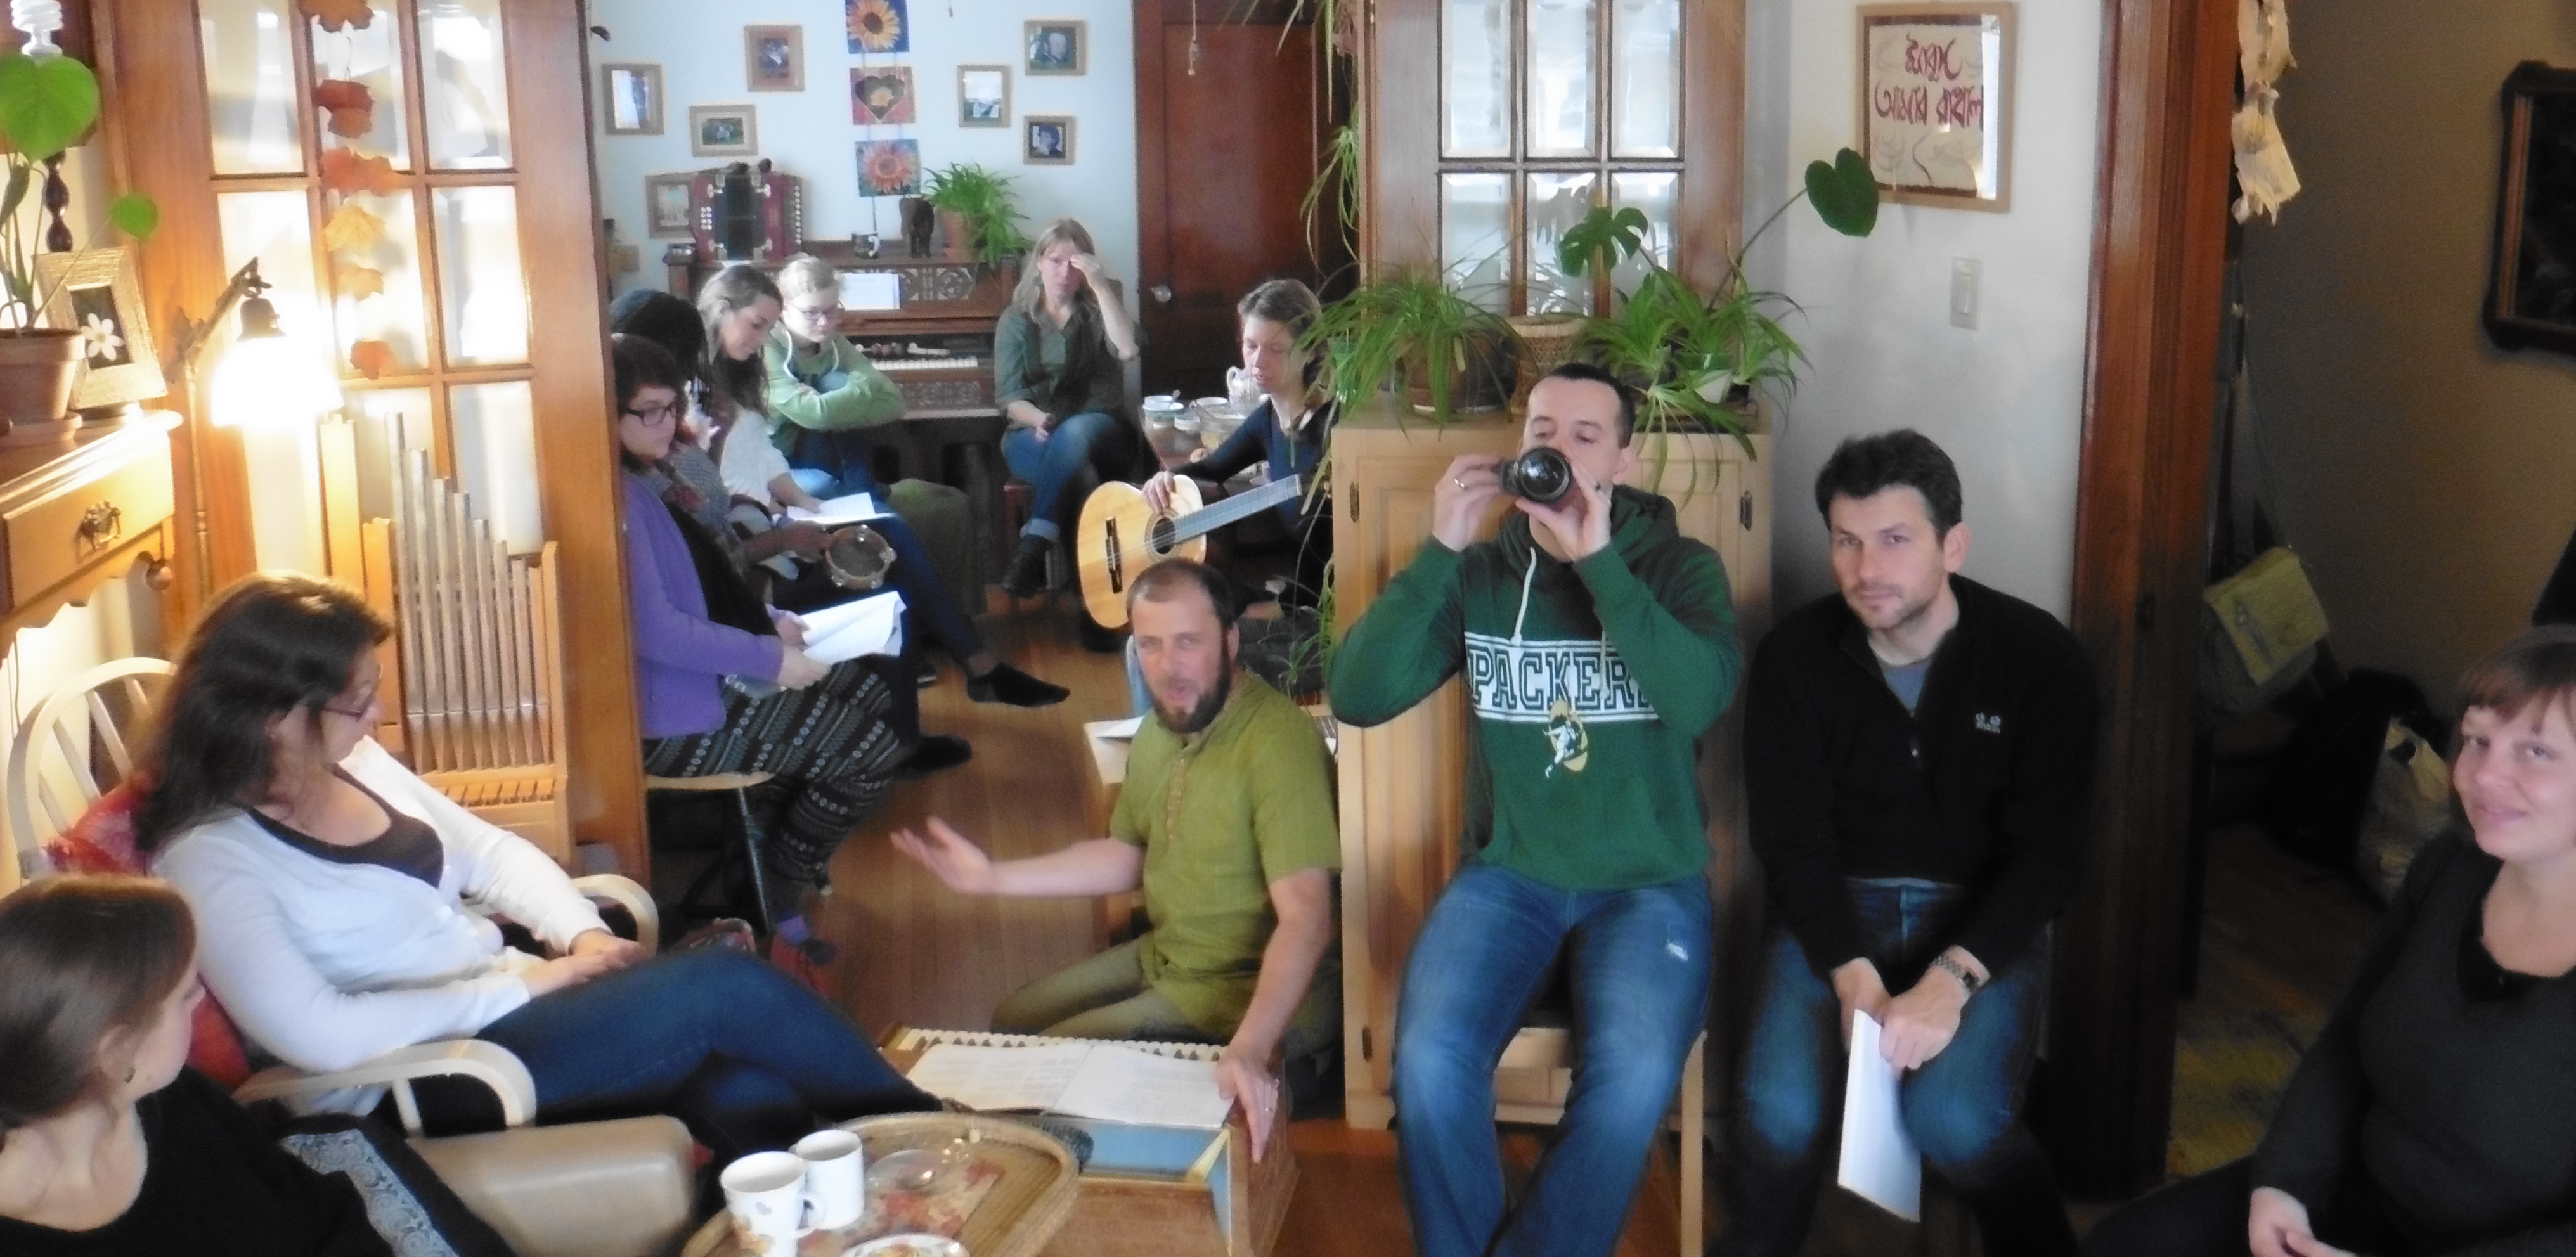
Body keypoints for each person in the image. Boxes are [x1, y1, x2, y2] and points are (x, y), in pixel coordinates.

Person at [139, 575, 935, 1169]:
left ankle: (874, 1199)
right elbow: (322, 1035)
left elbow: (490, 853)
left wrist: (581, 935)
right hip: (420, 1081)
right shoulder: (210, 858)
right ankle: (935, 1131)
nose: (375, 716)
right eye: (357, 702)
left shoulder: (355, 763)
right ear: (274, 716)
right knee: (727, 988)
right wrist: (529, 988)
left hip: (504, 1017)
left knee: (738, 1085)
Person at [2084, 626, 2576, 1257]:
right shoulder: (2456, 868)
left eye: (2536, 752)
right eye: (2479, 739)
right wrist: (2285, 1187)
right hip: (2380, 1208)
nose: (2485, 775)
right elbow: (2349, 1041)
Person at [1328, 361, 1740, 1257]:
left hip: (1650, 885)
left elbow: (1696, 700)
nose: (1557, 450)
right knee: (1428, 1063)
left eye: (1585, 436)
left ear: (1624, 463)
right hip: (1510, 877)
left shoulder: (1681, 569)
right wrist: (1439, 550)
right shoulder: (1480, 574)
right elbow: (1356, 697)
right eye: (1542, 431)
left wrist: (1600, 564)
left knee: (1633, 1081)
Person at [1722, 431, 2090, 1257]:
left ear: (1952, 545)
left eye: (1895, 539)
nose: (1866, 569)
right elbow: (1792, 842)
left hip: (1979, 909)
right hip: (1836, 902)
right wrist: (1851, 973)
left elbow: (2050, 857)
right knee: (1775, 1119)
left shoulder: (2040, 660)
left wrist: (1952, 981)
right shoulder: (1794, 659)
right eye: (1846, 541)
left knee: (1957, 1123)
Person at [890, 558, 1339, 1161]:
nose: (1169, 666)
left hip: (1239, 986)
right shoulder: (1161, 729)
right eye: (1150, 645)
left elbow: (1308, 917)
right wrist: (992, 876)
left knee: (1047, 1071)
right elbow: (1127, 855)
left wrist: (1252, 1047)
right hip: (1171, 954)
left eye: (1188, 642)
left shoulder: (1279, 744)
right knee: (1012, 1021)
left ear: (1231, 641)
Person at [607, 334, 911, 957]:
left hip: (702, 684)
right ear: (605, 412)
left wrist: (768, 619)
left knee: (871, 693)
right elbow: (657, 630)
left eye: (673, 407)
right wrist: (770, 656)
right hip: (671, 718)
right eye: (651, 411)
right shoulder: (619, 498)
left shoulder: (644, 478)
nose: (669, 423)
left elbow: (700, 587)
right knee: (873, 750)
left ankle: (763, 848)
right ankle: (781, 880)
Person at [679, 271, 1062, 711]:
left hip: (773, 513)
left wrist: (806, 505)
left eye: (769, 326)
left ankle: (958, 682)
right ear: (721, 310)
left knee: (882, 526)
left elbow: (766, 454)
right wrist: (783, 519)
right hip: (756, 535)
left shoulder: (742, 373)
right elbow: (717, 490)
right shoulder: (691, 393)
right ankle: (976, 666)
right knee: (886, 533)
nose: (764, 337)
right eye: (757, 324)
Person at [0, 875, 392, 1254]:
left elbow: (314, 1212)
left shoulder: (179, 1101)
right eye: (185, 994)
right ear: (117, 1050)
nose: (201, 997)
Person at [1141, 278, 1335, 602]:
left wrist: (1279, 607)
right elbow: (1211, 469)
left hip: (1322, 605)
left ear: (1311, 352)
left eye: (1276, 349)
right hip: (1294, 588)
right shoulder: (1268, 418)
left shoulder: (1333, 429)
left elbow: (1332, 554)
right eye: (1251, 345)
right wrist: (1165, 478)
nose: (1257, 361)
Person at [997, 218, 1147, 607]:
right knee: (1081, 477)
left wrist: (1100, 286)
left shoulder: (1100, 307)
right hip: (1032, 433)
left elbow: (1128, 350)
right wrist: (1038, 419)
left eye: (1075, 262)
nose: (1065, 271)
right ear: (1039, 263)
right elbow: (1010, 397)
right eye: (1055, 260)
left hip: (1104, 432)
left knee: (1077, 431)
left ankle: (1034, 545)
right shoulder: (1017, 319)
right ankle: (1092, 600)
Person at [761, 254, 896, 500]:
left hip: (812, 449)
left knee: (835, 383)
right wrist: (854, 397)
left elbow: (895, 403)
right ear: (783, 308)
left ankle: (862, 495)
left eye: (831, 310)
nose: (824, 322)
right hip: (771, 461)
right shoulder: (769, 346)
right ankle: (863, 495)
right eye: (811, 313)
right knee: (823, 486)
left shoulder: (833, 343)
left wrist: (823, 403)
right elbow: (816, 416)